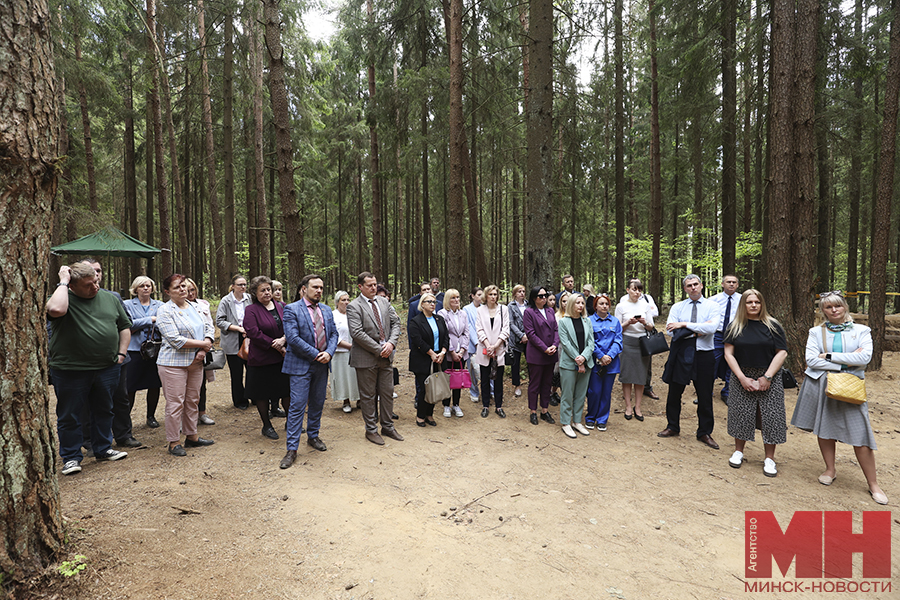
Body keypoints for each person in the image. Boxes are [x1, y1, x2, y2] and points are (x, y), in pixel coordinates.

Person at [790, 291, 886, 504]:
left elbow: (864, 358)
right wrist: (847, 362)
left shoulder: (861, 330)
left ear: (844, 307)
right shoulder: (816, 332)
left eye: (837, 306)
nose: (834, 310)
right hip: (821, 384)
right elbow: (811, 361)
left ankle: (873, 484)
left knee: (860, 433)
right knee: (824, 427)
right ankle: (830, 469)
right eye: (828, 307)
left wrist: (830, 357)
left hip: (850, 386)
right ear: (822, 310)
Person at [47, 263, 131, 475]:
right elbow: (56, 310)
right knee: (70, 415)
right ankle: (71, 457)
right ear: (73, 285)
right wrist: (63, 281)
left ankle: (103, 448)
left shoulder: (110, 298)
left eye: (96, 280)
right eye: (88, 284)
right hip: (70, 370)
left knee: (104, 410)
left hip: (107, 368)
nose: (95, 286)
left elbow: (124, 326)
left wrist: (121, 354)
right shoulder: (63, 297)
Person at [722, 289, 788, 477]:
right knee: (741, 412)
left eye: (757, 302)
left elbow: (781, 352)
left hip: (769, 375)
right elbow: (728, 353)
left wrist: (767, 377)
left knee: (771, 416)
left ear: (762, 304)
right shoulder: (735, 326)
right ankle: (738, 451)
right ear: (743, 304)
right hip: (741, 374)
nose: (753, 305)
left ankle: (769, 458)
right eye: (749, 302)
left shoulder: (773, 326)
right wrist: (742, 377)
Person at [280, 275, 339, 467]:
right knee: (297, 406)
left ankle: (313, 436)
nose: (319, 291)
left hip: (322, 365)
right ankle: (292, 449)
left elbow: (334, 334)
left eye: (321, 287)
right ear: (304, 289)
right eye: (315, 287)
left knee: (317, 402)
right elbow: (293, 338)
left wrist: (329, 353)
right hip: (300, 365)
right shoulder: (291, 309)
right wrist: (316, 354)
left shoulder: (326, 309)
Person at [658, 275, 721, 449]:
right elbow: (671, 330)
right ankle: (672, 426)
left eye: (695, 284)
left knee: (705, 395)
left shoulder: (712, 306)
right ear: (685, 289)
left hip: (704, 355)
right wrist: (698, 329)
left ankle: (704, 432)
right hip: (681, 354)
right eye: (689, 285)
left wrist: (684, 325)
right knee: (674, 393)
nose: (693, 288)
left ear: (701, 285)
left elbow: (712, 328)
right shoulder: (678, 307)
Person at [156, 274, 216, 457]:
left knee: (193, 400)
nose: (182, 290)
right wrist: (202, 345)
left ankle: (192, 436)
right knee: (175, 403)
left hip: (196, 361)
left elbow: (209, 327)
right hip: (173, 363)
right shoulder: (165, 310)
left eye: (183, 286)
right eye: (177, 287)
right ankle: (174, 442)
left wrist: (204, 348)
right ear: (167, 292)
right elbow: (174, 339)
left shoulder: (196, 306)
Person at [347, 272, 403, 445]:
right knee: (368, 396)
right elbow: (357, 333)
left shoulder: (384, 302)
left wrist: (391, 344)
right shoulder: (354, 306)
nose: (373, 288)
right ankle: (371, 430)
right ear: (360, 287)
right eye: (369, 285)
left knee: (387, 393)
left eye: (375, 284)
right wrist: (379, 349)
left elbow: (396, 323)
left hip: (386, 357)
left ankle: (387, 426)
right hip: (366, 357)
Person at [244, 276, 290, 440]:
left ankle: (290, 423)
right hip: (262, 359)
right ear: (255, 293)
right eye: (262, 290)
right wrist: (274, 344)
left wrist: (284, 340)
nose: (267, 293)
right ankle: (267, 425)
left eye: (268, 289)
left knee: (286, 392)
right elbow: (253, 332)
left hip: (282, 358)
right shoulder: (251, 310)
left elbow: (291, 326)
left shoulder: (282, 306)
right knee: (262, 393)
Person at [123, 275, 163, 443]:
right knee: (130, 387)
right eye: (142, 286)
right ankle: (125, 421)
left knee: (154, 384)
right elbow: (128, 324)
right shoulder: (126, 305)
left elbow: (163, 323)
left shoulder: (160, 305)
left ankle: (151, 416)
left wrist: (144, 322)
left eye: (148, 285)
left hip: (155, 350)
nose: (146, 288)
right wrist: (150, 320)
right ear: (135, 289)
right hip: (134, 350)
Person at [615, 278, 656, 421]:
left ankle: (637, 407)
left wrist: (645, 323)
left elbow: (651, 327)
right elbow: (617, 328)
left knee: (640, 377)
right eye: (634, 289)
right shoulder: (621, 306)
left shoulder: (645, 305)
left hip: (642, 343)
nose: (637, 292)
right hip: (627, 342)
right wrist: (628, 322)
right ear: (628, 290)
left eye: (639, 290)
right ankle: (628, 406)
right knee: (627, 376)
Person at [408, 292, 449, 427]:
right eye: (429, 302)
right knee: (425, 388)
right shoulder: (416, 321)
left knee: (435, 387)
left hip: (439, 358)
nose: (433, 304)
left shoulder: (439, 319)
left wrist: (443, 352)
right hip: (422, 359)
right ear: (422, 304)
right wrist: (431, 353)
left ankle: (429, 414)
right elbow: (417, 340)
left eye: (434, 302)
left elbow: (446, 337)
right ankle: (420, 415)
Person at [558, 293, 594, 438]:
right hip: (568, 364)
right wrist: (577, 358)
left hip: (586, 362)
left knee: (580, 394)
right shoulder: (563, 322)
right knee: (567, 394)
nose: (580, 305)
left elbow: (591, 343)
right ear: (571, 304)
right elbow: (565, 343)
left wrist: (584, 357)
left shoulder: (587, 321)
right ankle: (566, 423)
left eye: (582, 303)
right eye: (577, 303)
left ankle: (577, 421)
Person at [585, 294, 622, 431]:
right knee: (594, 391)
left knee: (606, 392)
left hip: (611, 363)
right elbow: (589, 341)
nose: (604, 306)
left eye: (606, 304)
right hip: (595, 363)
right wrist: (601, 356)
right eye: (601, 304)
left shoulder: (615, 322)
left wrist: (609, 356)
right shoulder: (589, 321)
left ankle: (602, 419)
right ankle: (590, 418)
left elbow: (618, 341)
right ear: (595, 306)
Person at [523, 286, 559, 425]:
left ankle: (544, 410)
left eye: (545, 295)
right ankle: (533, 411)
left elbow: (556, 329)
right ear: (534, 298)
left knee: (547, 383)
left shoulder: (550, 310)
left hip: (551, 353)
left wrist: (554, 345)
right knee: (535, 384)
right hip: (537, 354)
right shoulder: (529, 312)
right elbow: (531, 334)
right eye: (540, 296)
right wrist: (544, 348)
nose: (544, 298)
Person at [473, 284, 510, 418]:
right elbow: (479, 329)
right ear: (486, 296)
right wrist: (488, 345)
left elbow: (506, 329)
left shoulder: (504, 309)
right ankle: (486, 405)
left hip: (499, 349)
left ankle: (499, 406)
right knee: (484, 378)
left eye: (495, 294)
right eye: (491, 294)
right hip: (484, 349)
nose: (493, 297)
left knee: (499, 379)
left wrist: (495, 346)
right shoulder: (480, 310)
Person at [216, 274, 252, 409]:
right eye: (240, 285)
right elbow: (220, 321)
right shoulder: (226, 301)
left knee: (252, 370)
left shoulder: (250, 299)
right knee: (236, 373)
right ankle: (240, 400)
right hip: (232, 338)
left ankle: (253, 396)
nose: (243, 287)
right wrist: (237, 328)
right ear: (233, 286)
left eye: (245, 284)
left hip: (249, 338)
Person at [185, 278, 216, 425]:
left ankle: (202, 413)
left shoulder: (203, 304)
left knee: (200, 384)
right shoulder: (176, 307)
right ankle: (184, 417)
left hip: (203, 347)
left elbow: (209, 325)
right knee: (183, 386)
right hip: (185, 350)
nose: (190, 293)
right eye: (188, 290)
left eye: (193, 290)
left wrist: (205, 346)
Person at [438, 288, 468, 417]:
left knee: (458, 378)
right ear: (447, 300)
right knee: (447, 378)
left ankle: (456, 404)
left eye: (458, 297)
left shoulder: (463, 313)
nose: (456, 300)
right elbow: (444, 334)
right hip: (448, 351)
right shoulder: (442, 313)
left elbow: (467, 332)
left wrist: (462, 350)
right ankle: (446, 405)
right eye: (453, 298)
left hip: (461, 351)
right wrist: (452, 351)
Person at [712, 274, 741, 404]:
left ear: (737, 285)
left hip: (735, 335)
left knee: (732, 364)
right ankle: (706, 391)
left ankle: (728, 392)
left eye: (734, 282)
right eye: (728, 282)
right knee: (712, 362)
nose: (731, 284)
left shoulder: (743, 299)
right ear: (722, 284)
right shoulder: (713, 300)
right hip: (717, 335)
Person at [331, 290, 360, 413]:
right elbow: (332, 334)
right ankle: (346, 400)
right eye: (343, 300)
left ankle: (359, 399)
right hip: (340, 352)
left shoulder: (353, 314)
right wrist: (348, 346)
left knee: (356, 376)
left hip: (356, 351)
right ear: (337, 302)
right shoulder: (333, 315)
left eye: (348, 300)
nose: (346, 302)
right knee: (343, 377)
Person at [463, 287, 484, 403]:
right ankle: (474, 392)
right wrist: (476, 342)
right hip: (472, 345)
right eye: (479, 294)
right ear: (472, 295)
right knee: (472, 369)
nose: (481, 297)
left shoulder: (485, 309)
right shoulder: (466, 309)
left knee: (486, 369)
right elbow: (469, 326)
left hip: (484, 343)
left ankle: (489, 391)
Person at [507, 284, 527, 398]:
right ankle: (517, 385)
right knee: (515, 364)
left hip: (529, 339)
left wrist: (527, 336)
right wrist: (521, 336)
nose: (522, 293)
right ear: (515, 293)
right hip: (515, 339)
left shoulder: (528, 305)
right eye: (519, 291)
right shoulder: (511, 306)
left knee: (531, 362)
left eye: (523, 291)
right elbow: (511, 323)